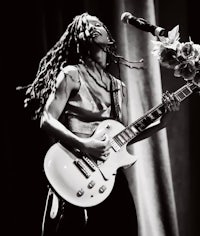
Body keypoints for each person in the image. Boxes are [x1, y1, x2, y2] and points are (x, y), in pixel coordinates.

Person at [19, 12, 180, 236]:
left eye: (98, 24)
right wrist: (85, 145)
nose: (94, 27)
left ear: (109, 37)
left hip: (106, 176)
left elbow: (122, 137)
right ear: (79, 36)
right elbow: (47, 119)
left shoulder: (118, 87)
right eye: (88, 25)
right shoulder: (72, 74)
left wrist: (164, 122)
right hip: (74, 168)